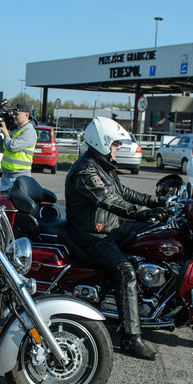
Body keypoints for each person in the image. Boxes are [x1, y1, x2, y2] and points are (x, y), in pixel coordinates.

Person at [65, 117, 163, 361]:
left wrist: (154, 202)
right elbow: (108, 200)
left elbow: (123, 192)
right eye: (115, 144)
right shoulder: (85, 170)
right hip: (92, 235)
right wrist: (143, 213)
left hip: (109, 228)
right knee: (126, 272)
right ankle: (131, 338)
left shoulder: (102, 164)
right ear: (103, 143)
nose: (118, 148)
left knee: (152, 239)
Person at [0, 103, 37, 189]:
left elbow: (12, 147)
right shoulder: (15, 131)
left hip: (19, 178)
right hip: (6, 176)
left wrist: (6, 133)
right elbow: (1, 148)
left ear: (26, 115)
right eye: (13, 114)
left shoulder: (29, 132)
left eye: (16, 114)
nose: (14, 116)